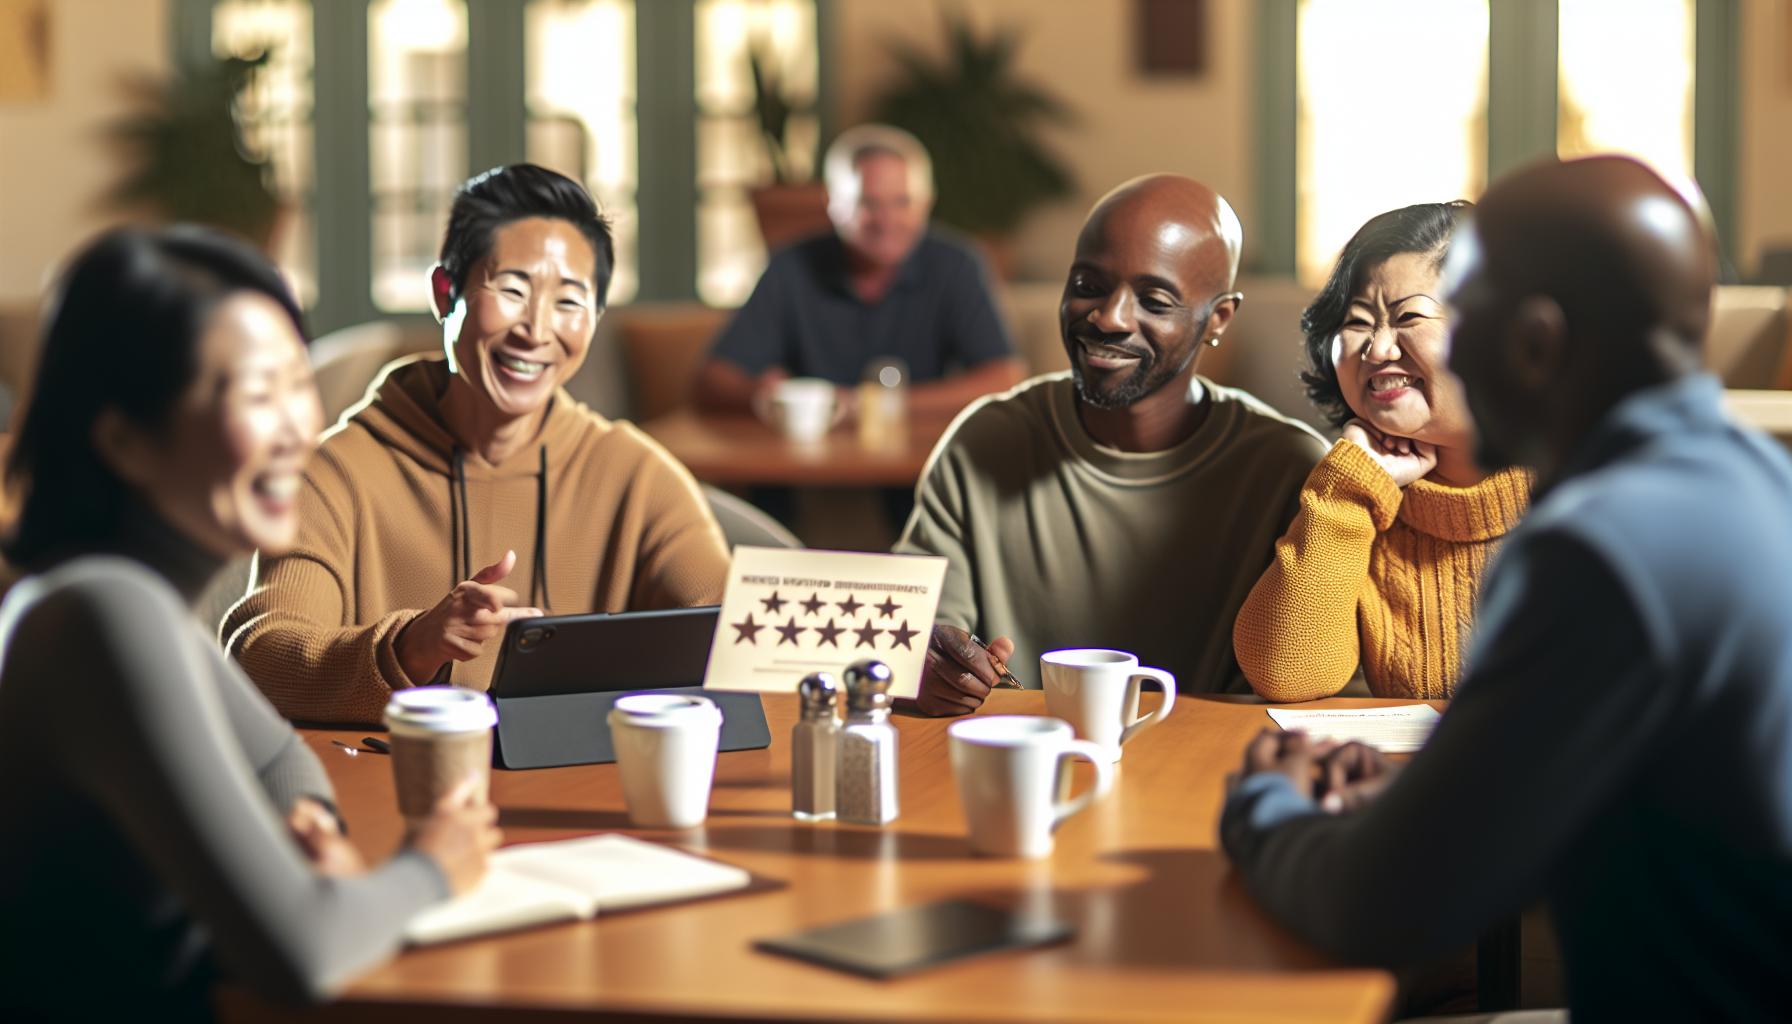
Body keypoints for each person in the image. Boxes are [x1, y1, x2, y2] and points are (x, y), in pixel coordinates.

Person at [1221, 156, 1792, 1020]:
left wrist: (1263, 800)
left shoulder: (1594, 546)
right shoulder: (1753, 477)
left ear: (1532, 342)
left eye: (1465, 314)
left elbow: (1382, 903)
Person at [0, 228, 498, 1019]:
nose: (301, 427)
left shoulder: (128, 597)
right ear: (124, 438)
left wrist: (311, 833)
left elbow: (283, 767)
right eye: (258, 394)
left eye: (300, 385)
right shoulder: (103, 614)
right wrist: (433, 865)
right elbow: (303, 952)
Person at [225, 165, 729, 724]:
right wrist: (412, 646)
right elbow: (259, 660)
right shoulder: (332, 473)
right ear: (446, 293)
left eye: (568, 302)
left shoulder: (635, 474)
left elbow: (733, 629)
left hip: (580, 799)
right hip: (393, 793)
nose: (536, 331)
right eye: (511, 290)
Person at [896, 174, 1329, 716]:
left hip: (1209, 777)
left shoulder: (1292, 471)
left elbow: (1321, 691)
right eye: (1088, 286)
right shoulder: (984, 441)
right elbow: (911, 635)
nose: (1109, 317)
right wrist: (923, 663)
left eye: (1154, 300)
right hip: (1025, 769)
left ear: (1217, 318)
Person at [1233, 202, 1531, 701]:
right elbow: (1286, 674)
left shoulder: (1593, 485)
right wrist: (1347, 494)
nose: (1376, 350)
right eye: (1358, 323)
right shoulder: (1353, 495)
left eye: (1408, 316)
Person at [692, 124, 1026, 419]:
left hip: (915, 471)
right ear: (831, 203)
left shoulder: (957, 265)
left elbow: (1005, 377)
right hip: (801, 472)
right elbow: (713, 380)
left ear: (927, 202)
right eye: (868, 203)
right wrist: (762, 395)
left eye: (902, 202)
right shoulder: (790, 266)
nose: (886, 221)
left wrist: (864, 406)